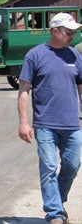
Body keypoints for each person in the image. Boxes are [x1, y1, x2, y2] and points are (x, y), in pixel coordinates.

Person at [17, 12, 82, 224]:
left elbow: (81, 88)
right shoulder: (35, 55)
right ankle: (54, 214)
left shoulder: (75, 56)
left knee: (72, 167)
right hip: (45, 123)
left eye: (74, 32)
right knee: (49, 168)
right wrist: (24, 122)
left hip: (72, 122)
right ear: (55, 31)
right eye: (69, 32)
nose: (72, 36)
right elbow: (24, 90)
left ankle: (58, 202)